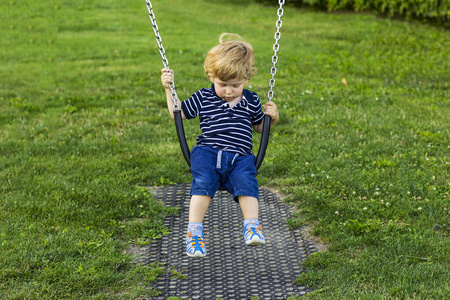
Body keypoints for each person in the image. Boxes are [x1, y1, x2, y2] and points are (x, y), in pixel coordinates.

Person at [160, 33, 279, 257]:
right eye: (222, 84)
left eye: (235, 85)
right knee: (203, 182)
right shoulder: (204, 97)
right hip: (207, 152)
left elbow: (259, 129)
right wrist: (169, 89)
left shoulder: (252, 100)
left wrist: (271, 118)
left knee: (247, 182)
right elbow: (179, 113)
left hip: (240, 156)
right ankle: (194, 234)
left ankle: (252, 226)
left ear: (246, 79)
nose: (228, 91)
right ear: (211, 77)